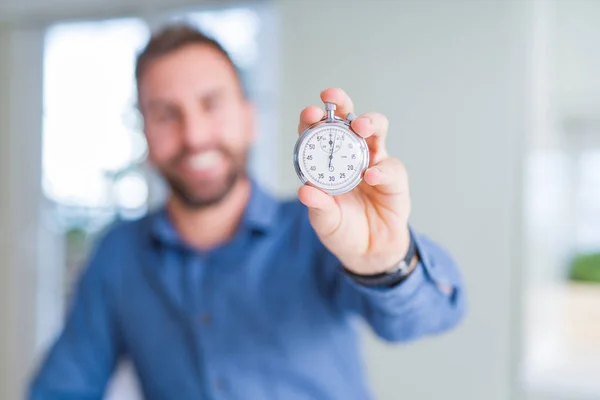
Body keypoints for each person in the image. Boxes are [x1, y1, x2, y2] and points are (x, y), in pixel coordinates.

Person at [29, 23, 467, 400]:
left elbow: (429, 319)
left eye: (211, 104)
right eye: (166, 115)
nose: (195, 135)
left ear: (249, 118)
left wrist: (386, 262)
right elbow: (61, 389)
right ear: (144, 132)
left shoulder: (318, 231)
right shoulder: (119, 256)